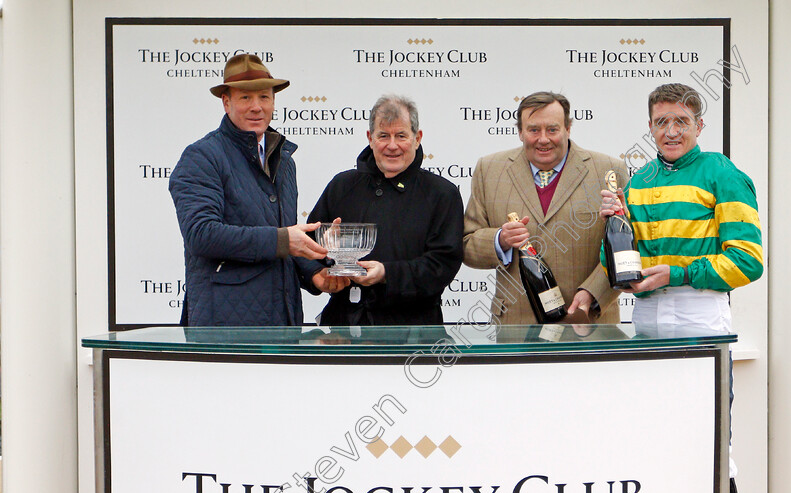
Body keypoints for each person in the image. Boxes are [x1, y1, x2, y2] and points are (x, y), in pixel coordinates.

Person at [600, 83, 764, 493]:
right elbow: (618, 262)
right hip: (647, 317)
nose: (670, 131)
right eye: (661, 122)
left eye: (681, 122)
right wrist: (612, 225)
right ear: (650, 126)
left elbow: (748, 261)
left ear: (699, 125)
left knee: (710, 439)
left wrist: (678, 273)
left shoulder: (723, 173)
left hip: (701, 314)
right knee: (655, 434)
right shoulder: (639, 181)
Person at [169, 53, 348, 326]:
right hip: (225, 330)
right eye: (245, 98)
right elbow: (201, 234)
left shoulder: (284, 161)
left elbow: (282, 236)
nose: (257, 107)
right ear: (226, 102)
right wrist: (284, 241)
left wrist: (315, 275)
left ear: (274, 102)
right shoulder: (202, 157)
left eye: (264, 97)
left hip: (283, 326)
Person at [463, 91, 628, 324]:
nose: (543, 139)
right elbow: (467, 245)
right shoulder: (488, 170)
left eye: (552, 129)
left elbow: (628, 248)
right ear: (520, 132)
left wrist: (594, 293)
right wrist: (500, 240)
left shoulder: (610, 170)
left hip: (588, 321)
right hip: (516, 326)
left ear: (568, 128)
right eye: (533, 130)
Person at [306, 95, 464, 325]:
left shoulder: (442, 193)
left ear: (417, 138)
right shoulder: (342, 186)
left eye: (401, 136)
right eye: (383, 136)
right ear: (370, 139)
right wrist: (319, 268)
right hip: (344, 328)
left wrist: (386, 274)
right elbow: (306, 246)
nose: (392, 145)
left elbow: (443, 265)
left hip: (413, 332)